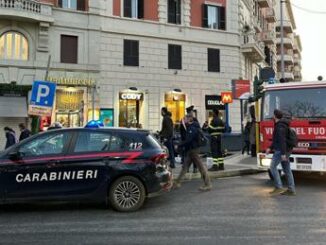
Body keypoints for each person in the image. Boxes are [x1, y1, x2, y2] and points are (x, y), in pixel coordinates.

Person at [174, 113, 212, 191]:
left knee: (201, 167)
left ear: (190, 119)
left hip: (193, 150)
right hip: (191, 150)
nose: (184, 120)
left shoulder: (193, 128)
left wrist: (179, 145)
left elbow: (188, 140)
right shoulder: (191, 127)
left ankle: (207, 184)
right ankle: (177, 183)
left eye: (185, 118)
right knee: (185, 166)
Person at [266, 109, 296, 196]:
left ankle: (278, 187)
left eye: (273, 115)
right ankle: (291, 189)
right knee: (287, 169)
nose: (272, 116)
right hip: (285, 150)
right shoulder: (281, 125)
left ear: (275, 116)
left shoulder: (280, 126)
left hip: (281, 150)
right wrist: (270, 148)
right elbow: (277, 140)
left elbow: (282, 141)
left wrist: (283, 153)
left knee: (272, 167)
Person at [179, 105, 198, 173]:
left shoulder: (183, 120)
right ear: (190, 112)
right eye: (192, 111)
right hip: (193, 141)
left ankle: (186, 168)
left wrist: (183, 140)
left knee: (186, 154)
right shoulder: (194, 119)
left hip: (186, 140)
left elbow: (181, 130)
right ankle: (195, 168)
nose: (193, 113)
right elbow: (198, 129)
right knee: (194, 155)